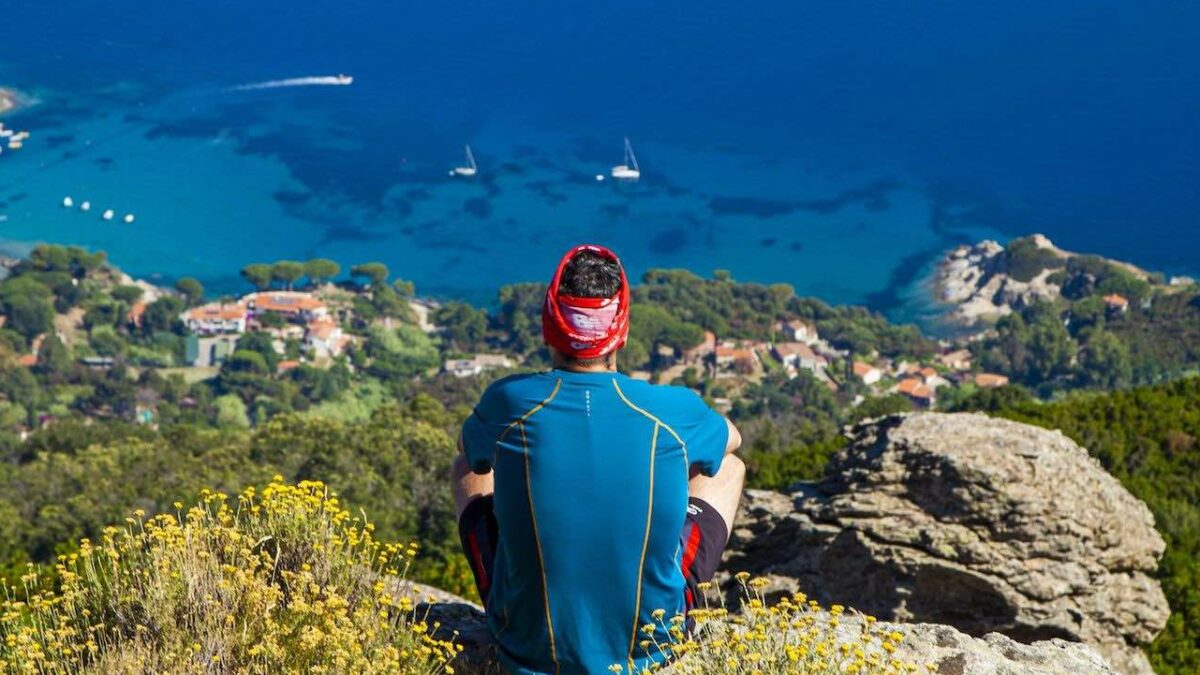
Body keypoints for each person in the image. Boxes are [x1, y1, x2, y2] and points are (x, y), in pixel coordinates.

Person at [452, 244, 744, 675]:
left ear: (549, 325)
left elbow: (468, 451)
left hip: (526, 648)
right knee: (728, 466)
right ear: (621, 331)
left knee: (471, 467)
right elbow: (732, 439)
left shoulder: (509, 401)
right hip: (650, 647)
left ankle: (512, 598)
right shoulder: (669, 409)